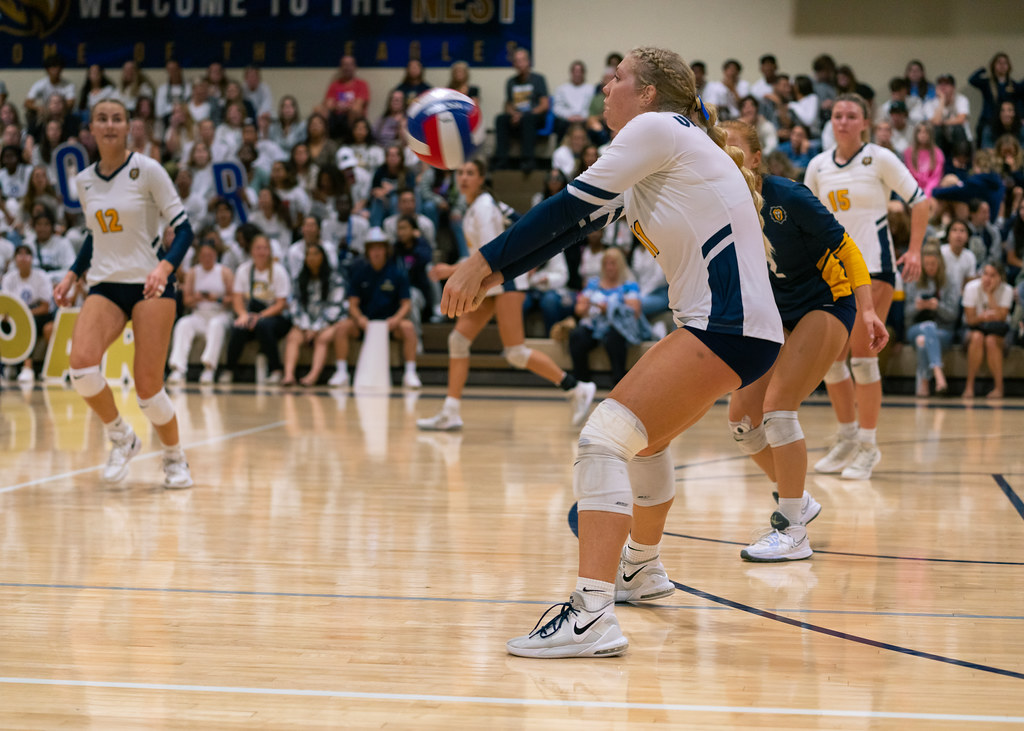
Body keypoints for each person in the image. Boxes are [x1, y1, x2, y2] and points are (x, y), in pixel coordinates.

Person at [438, 48, 783, 658]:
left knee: (603, 438)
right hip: (741, 327)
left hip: (724, 324)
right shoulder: (665, 147)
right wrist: (496, 276)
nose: (606, 84)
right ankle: (640, 570)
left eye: (619, 76)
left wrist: (481, 261)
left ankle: (591, 612)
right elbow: (575, 228)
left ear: (649, 93)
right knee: (646, 442)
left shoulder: (656, 130)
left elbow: (563, 208)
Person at [718, 119, 884, 561]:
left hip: (827, 304)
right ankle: (799, 499)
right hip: (778, 315)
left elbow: (848, 249)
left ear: (755, 159)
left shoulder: (787, 196)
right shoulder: (720, 207)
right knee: (742, 418)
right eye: (719, 150)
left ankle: (792, 530)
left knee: (778, 405)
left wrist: (868, 310)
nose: (726, 158)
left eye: (734, 150)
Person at [52, 98, 195, 488]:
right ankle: (121, 437)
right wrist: (72, 275)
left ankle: (174, 457)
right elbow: (94, 236)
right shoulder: (83, 181)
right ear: (92, 129)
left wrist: (164, 267)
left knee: (148, 388)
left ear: (129, 126)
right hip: (106, 284)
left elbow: (184, 230)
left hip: (152, 285)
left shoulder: (148, 170)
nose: (110, 125)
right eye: (102, 119)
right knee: (81, 367)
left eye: (117, 118)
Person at [417, 158, 597, 432]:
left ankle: (576, 388)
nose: (464, 178)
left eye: (470, 173)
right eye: (461, 173)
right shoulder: (474, 208)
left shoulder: (484, 207)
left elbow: (494, 253)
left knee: (515, 352)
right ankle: (451, 411)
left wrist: (451, 271)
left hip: (506, 280)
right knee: (457, 340)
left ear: (482, 178)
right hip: (492, 283)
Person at [803, 93, 928, 480]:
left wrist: (915, 251)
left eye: (851, 115)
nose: (842, 121)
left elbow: (921, 202)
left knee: (862, 357)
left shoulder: (880, 158)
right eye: (837, 115)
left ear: (865, 123)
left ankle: (869, 446)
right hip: (833, 275)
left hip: (875, 268)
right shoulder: (818, 165)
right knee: (831, 361)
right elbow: (805, 217)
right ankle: (847, 437)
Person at [330, 228, 420, 389]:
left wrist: (396, 319)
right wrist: (359, 318)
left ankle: (410, 373)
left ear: (386, 250)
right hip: (364, 323)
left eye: (380, 248)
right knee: (342, 327)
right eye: (372, 248)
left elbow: (406, 304)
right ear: (367, 251)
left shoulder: (397, 273)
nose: (376, 252)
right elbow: (352, 303)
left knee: (408, 328)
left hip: (390, 324)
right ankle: (342, 372)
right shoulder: (359, 273)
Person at [569, 247, 647, 387]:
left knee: (614, 338)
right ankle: (581, 383)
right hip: (595, 325)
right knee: (577, 336)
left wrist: (610, 309)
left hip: (617, 327)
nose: (609, 267)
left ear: (621, 265)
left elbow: (634, 311)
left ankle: (618, 383)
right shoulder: (593, 284)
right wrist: (586, 305)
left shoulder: (629, 285)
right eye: (606, 263)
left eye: (613, 263)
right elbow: (579, 309)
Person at [222, 233, 291, 384]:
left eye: (265, 248)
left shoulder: (279, 271)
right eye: (258, 248)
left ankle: (276, 370)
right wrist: (242, 315)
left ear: (270, 251)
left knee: (263, 326)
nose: (261, 252)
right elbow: (237, 298)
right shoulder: (243, 270)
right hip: (251, 314)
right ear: (251, 251)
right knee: (238, 327)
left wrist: (259, 316)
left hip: (276, 318)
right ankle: (229, 370)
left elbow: (281, 304)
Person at [166, 237, 234, 385]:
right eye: (203, 255)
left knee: (216, 324)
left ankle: (209, 369)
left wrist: (217, 299)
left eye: (210, 255)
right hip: (199, 314)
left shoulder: (224, 272)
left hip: (220, 314)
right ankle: (178, 368)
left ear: (215, 255)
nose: (207, 258)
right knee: (183, 324)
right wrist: (197, 298)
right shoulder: (192, 273)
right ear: (199, 256)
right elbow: (186, 301)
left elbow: (234, 299)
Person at [282, 242, 347, 386]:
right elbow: (295, 305)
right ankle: (288, 375)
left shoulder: (335, 278)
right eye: (308, 255)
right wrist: (306, 327)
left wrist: (316, 328)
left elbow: (334, 307)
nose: (311, 258)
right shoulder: (300, 279)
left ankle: (313, 376)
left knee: (322, 338)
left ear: (323, 257)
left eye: (315, 254)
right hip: (306, 323)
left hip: (329, 322)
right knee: (293, 337)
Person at [904, 243, 959, 397]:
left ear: (940, 263)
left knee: (923, 341)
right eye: (926, 264)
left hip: (943, 330)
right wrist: (917, 307)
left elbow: (953, 314)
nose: (930, 267)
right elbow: (906, 315)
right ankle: (938, 375)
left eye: (933, 264)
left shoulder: (950, 281)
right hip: (915, 328)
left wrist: (937, 307)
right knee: (927, 328)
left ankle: (924, 384)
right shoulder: (914, 279)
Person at [1, 243, 54, 384]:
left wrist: (25, 314)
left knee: (28, 323)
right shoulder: (8, 278)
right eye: (20, 254)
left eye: (27, 254)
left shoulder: (41, 276)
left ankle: (27, 367)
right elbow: (5, 305)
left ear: (32, 258)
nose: (23, 257)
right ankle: (8, 364)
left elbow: (45, 307)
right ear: (14, 259)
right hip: (14, 316)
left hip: (38, 314)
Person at [493, 47, 550, 173]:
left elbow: (544, 105)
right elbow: (508, 104)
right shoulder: (511, 82)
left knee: (528, 119)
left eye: (522, 60)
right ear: (514, 64)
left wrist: (524, 115)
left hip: (534, 117)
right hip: (518, 117)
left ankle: (528, 160)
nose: (520, 64)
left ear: (528, 62)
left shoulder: (538, 79)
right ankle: (502, 160)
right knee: (500, 119)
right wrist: (513, 114)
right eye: (517, 61)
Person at [961, 262, 1013, 399]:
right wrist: (982, 317)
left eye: (992, 275)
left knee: (990, 340)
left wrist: (990, 295)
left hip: (998, 332)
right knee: (977, 337)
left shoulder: (1007, 290)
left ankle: (999, 388)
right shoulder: (971, 288)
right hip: (974, 329)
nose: (987, 278)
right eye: (985, 274)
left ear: (1000, 278)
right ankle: (969, 387)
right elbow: (970, 320)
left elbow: (1001, 317)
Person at [322, 55, 370, 140]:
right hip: (335, 117)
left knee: (354, 111)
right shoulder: (335, 85)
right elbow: (328, 105)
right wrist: (339, 106)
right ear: (341, 67)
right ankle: (324, 141)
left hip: (352, 118)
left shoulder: (361, 84)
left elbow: (358, 106)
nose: (347, 67)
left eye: (350, 65)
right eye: (344, 65)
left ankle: (350, 139)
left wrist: (341, 106)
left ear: (355, 67)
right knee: (319, 110)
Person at [552, 60, 595, 143]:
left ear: (583, 73)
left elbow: (592, 108)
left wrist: (583, 116)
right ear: (571, 73)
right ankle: (559, 149)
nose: (577, 74)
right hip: (567, 119)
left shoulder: (591, 89)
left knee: (593, 125)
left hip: (584, 119)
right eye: (575, 71)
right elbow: (557, 107)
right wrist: (568, 116)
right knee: (559, 124)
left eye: (580, 71)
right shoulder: (562, 89)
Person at [904, 122, 946, 197]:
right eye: (920, 132)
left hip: (932, 190)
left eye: (926, 132)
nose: (923, 135)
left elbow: (936, 177)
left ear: (930, 135)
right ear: (916, 134)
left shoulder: (938, 153)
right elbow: (910, 173)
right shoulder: (908, 152)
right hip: (913, 189)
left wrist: (927, 192)